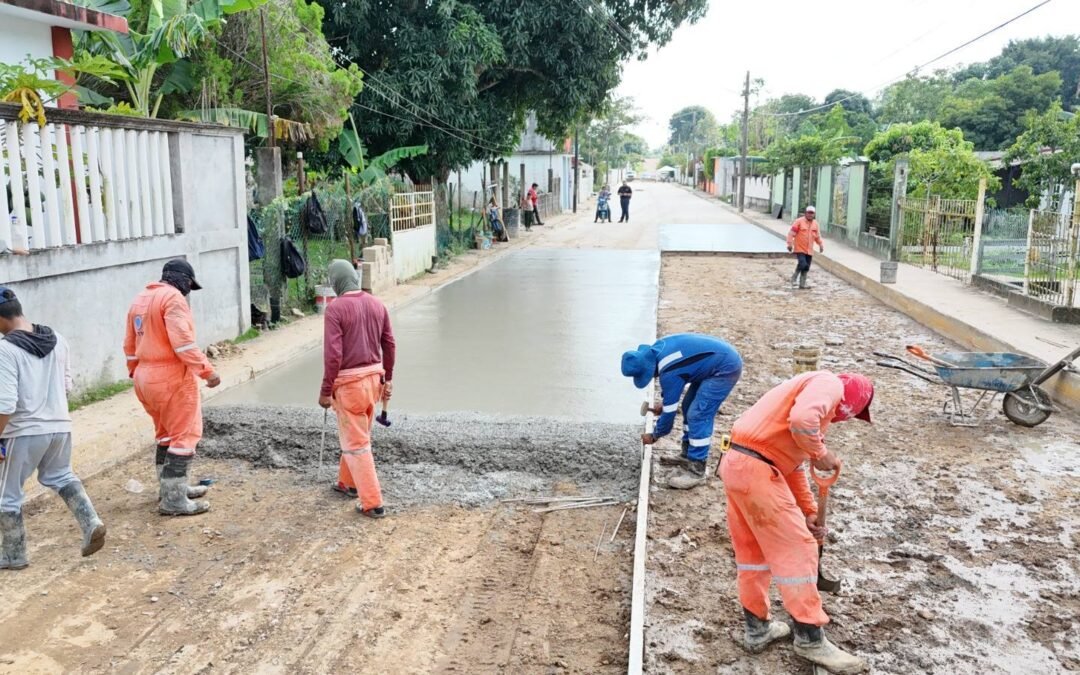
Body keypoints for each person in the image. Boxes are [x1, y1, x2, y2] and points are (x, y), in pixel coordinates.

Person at [719, 370, 873, 673]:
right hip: (757, 469)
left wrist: (809, 510)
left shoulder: (798, 396)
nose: (845, 417)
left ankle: (757, 629)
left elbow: (792, 466)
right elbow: (803, 422)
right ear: (853, 401)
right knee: (800, 549)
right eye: (852, 413)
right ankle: (810, 639)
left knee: (753, 556)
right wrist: (821, 452)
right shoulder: (831, 384)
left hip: (737, 464)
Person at [0, 287, 106, 570]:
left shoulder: (6, 349)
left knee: (7, 494)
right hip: (60, 426)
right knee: (61, 475)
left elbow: (6, 403)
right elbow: (67, 385)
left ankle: (13, 555)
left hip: (22, 431)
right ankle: (91, 521)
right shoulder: (58, 339)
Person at [124, 259, 221, 516]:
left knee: (165, 434)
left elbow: (129, 343)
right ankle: (174, 501)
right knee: (185, 434)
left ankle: (170, 490)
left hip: (145, 378)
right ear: (181, 279)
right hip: (171, 377)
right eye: (189, 284)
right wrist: (207, 372)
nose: (188, 290)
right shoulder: (173, 299)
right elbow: (183, 344)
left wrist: (136, 372)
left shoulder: (141, 299)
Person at [320, 259, 396, 519]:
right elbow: (389, 344)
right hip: (374, 380)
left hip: (349, 385)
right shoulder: (377, 304)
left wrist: (325, 389)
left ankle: (373, 502)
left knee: (356, 443)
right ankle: (348, 483)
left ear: (335, 282)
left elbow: (333, 355)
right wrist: (389, 379)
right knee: (358, 436)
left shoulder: (335, 309)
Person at [621, 334, 743, 490]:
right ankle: (687, 455)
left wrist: (655, 435)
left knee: (698, 414)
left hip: (725, 368)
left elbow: (668, 419)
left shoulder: (668, 370)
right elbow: (675, 382)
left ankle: (696, 470)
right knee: (687, 406)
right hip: (712, 362)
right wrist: (665, 403)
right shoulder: (658, 349)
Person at [786, 206, 824, 289]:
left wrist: (820, 244)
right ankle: (794, 278)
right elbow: (791, 234)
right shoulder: (799, 222)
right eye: (809, 213)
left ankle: (802, 284)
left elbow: (817, 236)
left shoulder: (815, 224)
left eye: (812, 213)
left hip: (809, 250)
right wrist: (789, 244)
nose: (810, 215)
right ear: (805, 213)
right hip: (800, 248)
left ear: (814, 214)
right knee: (803, 264)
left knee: (806, 267)